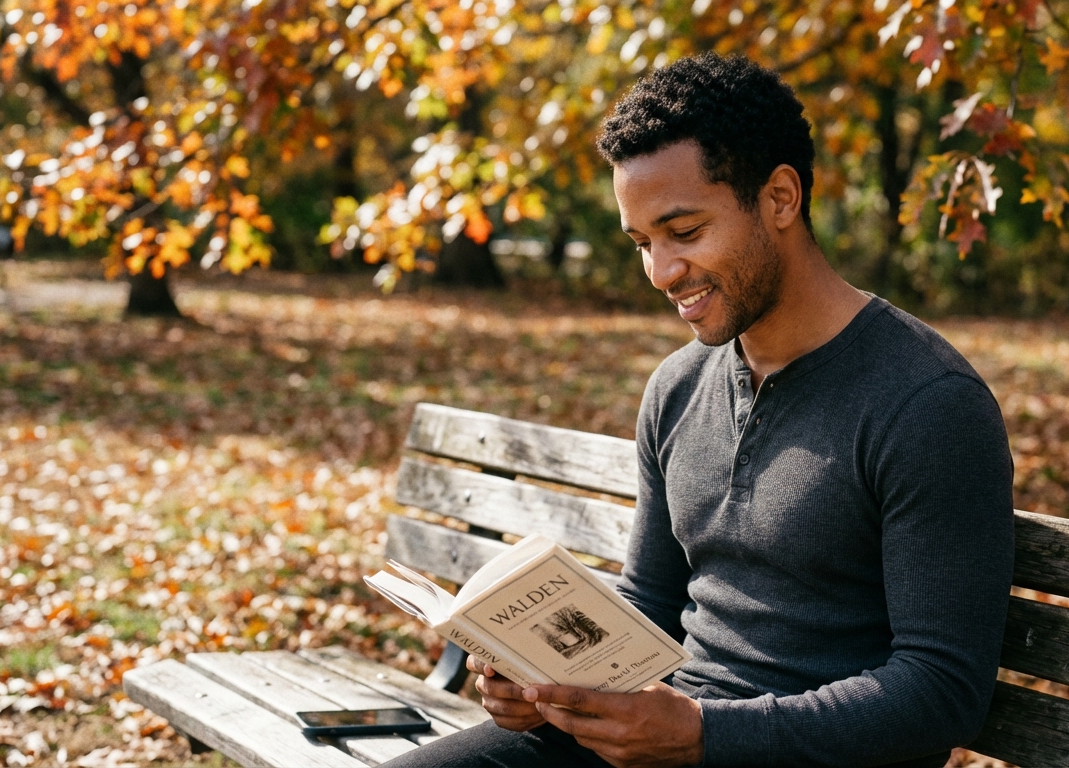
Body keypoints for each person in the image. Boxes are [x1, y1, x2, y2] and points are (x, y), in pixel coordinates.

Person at [383, 52, 1014, 768]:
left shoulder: (927, 405)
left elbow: (942, 692)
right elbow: (649, 603)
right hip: (660, 743)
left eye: (684, 232)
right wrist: (546, 682)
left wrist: (704, 735)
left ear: (780, 198)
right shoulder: (678, 388)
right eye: (642, 243)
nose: (662, 272)